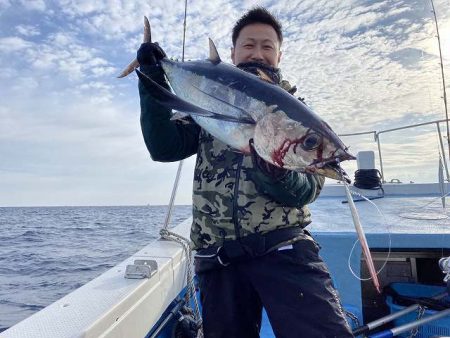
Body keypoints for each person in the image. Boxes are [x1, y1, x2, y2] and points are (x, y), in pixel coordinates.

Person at [137, 7, 354, 338]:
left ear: (279, 55)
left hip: (284, 247)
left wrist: (277, 172)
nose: (258, 53)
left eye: (267, 46)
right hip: (217, 253)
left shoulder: (300, 116)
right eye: (249, 45)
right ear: (233, 52)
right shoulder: (207, 103)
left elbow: (308, 190)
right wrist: (153, 77)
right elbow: (163, 148)